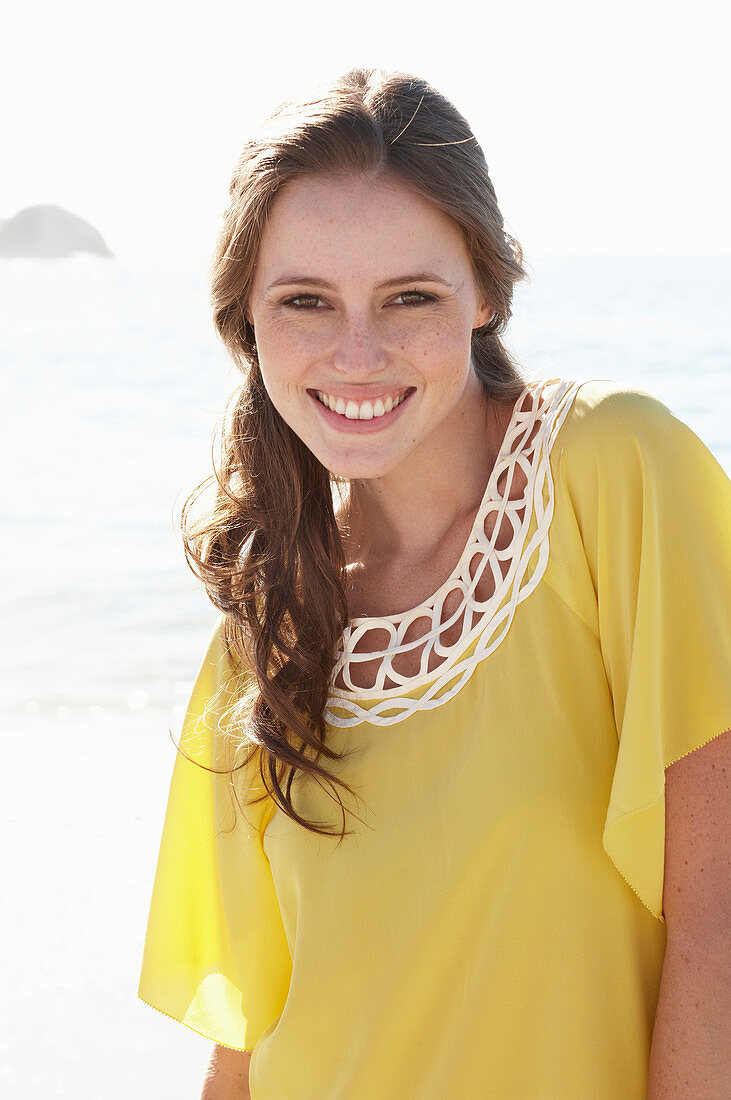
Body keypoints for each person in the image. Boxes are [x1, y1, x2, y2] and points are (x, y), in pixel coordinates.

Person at [138, 67, 731, 1098]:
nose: (355, 352)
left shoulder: (614, 469)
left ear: (486, 289)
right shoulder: (262, 628)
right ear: (248, 320)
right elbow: (248, 1036)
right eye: (305, 301)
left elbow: (715, 910)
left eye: (407, 296)